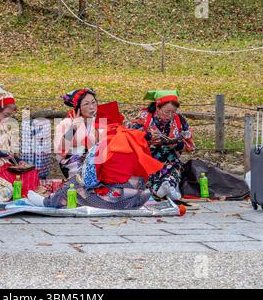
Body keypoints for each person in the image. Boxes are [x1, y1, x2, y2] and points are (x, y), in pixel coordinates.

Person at [28, 125, 163, 209]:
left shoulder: (101, 146)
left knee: (75, 184)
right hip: (135, 198)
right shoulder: (132, 142)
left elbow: (89, 180)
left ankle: (49, 202)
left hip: (114, 200)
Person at [127, 90, 194, 200]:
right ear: (158, 108)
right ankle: (161, 189)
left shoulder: (179, 120)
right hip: (147, 157)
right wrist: (148, 137)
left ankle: (168, 185)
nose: (170, 116)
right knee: (150, 173)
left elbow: (190, 145)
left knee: (175, 167)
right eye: (166, 112)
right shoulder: (144, 117)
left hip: (170, 158)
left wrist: (175, 145)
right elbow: (130, 134)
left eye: (173, 112)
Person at [54, 88, 99, 179]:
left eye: (93, 102)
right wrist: (73, 128)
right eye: (86, 104)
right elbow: (60, 152)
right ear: (78, 107)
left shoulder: (97, 121)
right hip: (74, 162)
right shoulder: (66, 123)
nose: (92, 107)